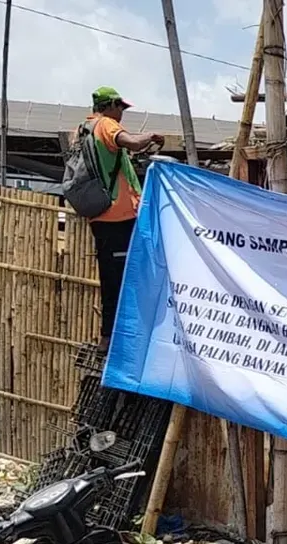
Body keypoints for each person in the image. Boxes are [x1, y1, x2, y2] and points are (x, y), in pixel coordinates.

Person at [81, 86, 163, 349]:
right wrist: (150, 136)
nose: (122, 114)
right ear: (111, 105)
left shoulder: (83, 130)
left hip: (101, 216)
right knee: (124, 278)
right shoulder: (105, 125)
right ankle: (116, 339)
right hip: (117, 217)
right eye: (121, 108)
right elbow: (133, 142)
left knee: (112, 276)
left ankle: (110, 337)